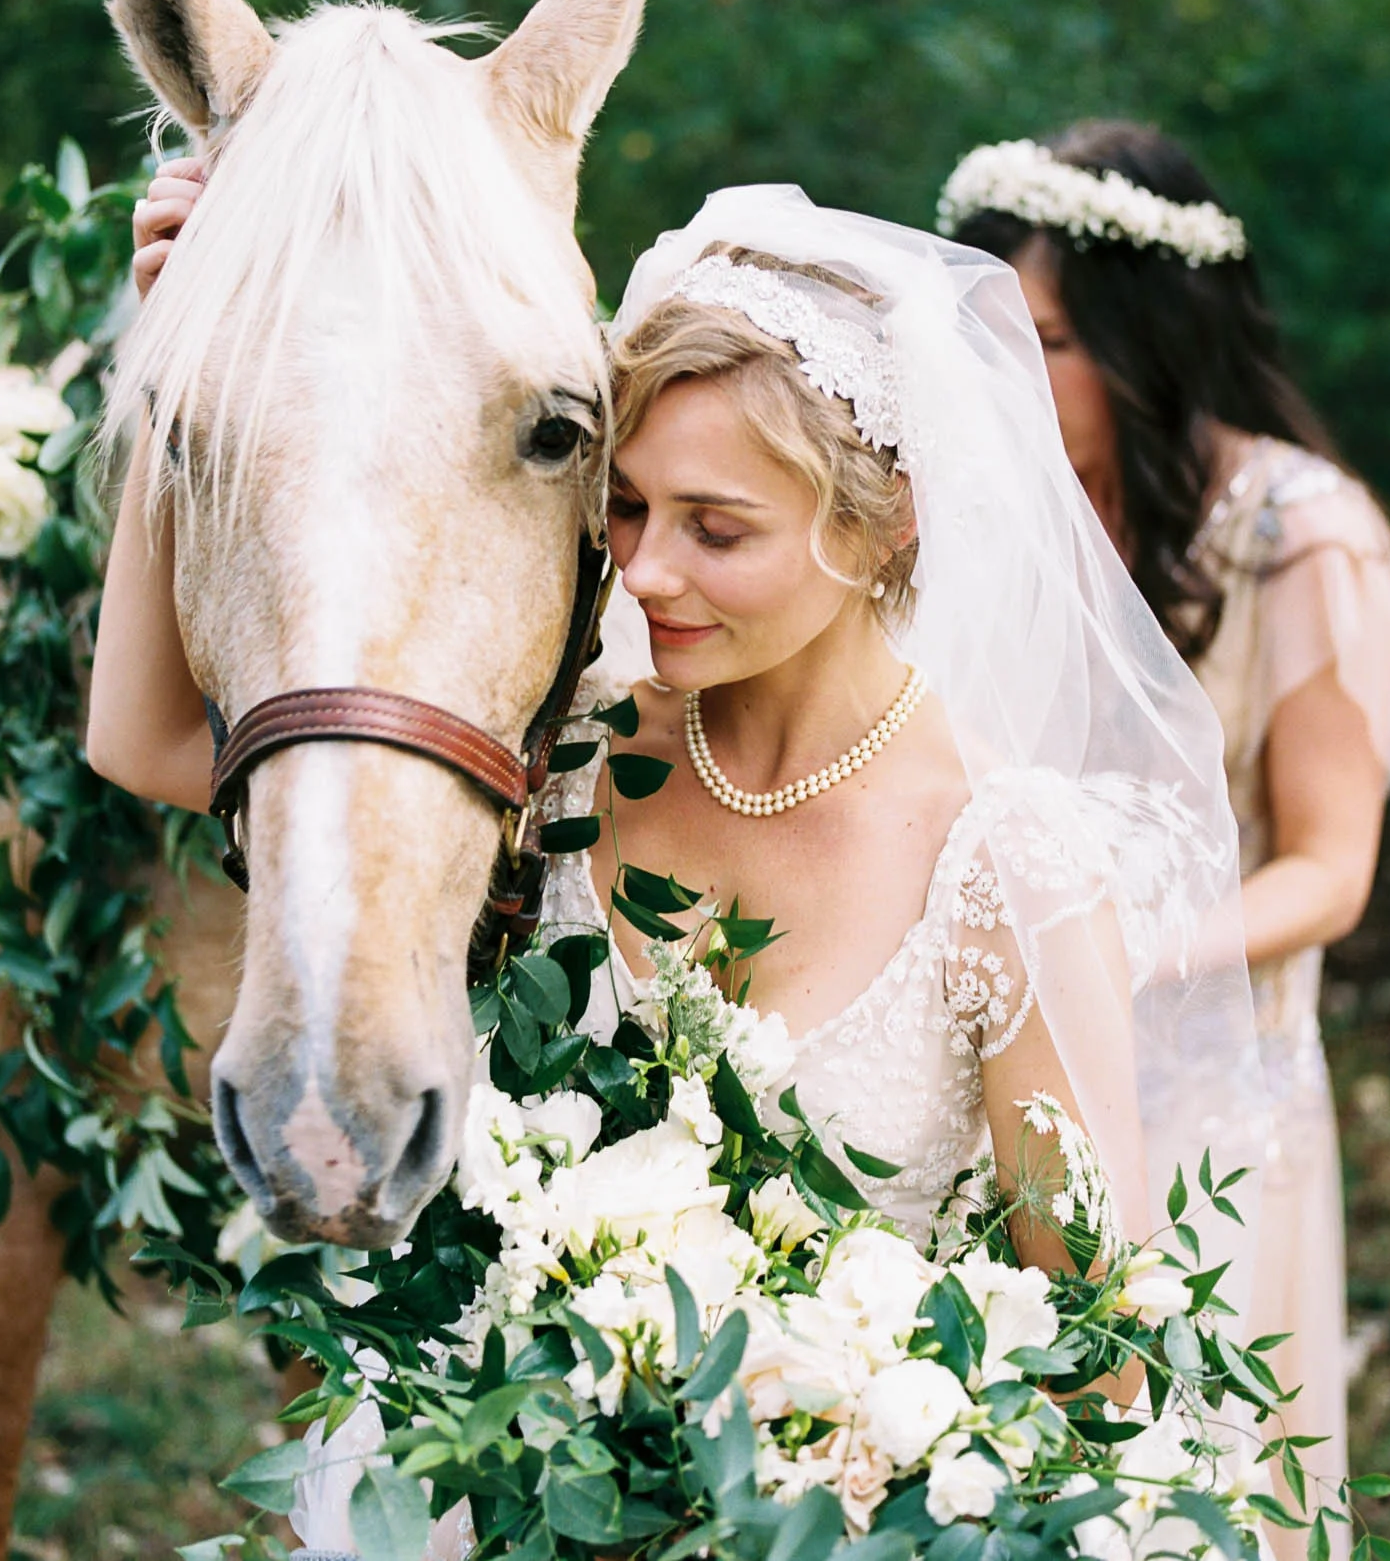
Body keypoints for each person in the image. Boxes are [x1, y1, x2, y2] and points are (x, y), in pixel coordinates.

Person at [100, 164, 1267, 1553]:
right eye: (632, 509)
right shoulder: (565, 749)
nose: (648, 574)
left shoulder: (1007, 860)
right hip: (479, 1497)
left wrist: (828, 1438)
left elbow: (1098, 1345)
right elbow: (153, 735)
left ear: (886, 520)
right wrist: (186, 355)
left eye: (719, 528)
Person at [939, 120, 1390, 1560]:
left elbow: (1329, 869)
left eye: (1048, 340)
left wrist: (1114, 955)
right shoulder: (990, 524)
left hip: (1213, 1082)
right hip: (1012, 1073)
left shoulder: (1303, 533)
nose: (1012, 384)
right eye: (994, 340)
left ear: (1150, 335)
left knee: (1190, 1477)